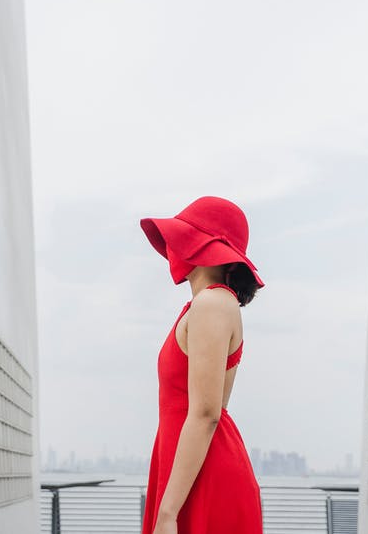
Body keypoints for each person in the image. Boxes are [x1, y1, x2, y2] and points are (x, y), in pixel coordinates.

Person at [139, 195, 265, 534]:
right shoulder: (206, 305)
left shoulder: (212, 303)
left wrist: (167, 512)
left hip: (202, 477)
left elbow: (208, 413)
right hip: (190, 468)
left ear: (201, 245)